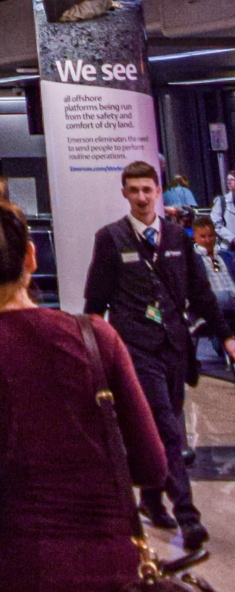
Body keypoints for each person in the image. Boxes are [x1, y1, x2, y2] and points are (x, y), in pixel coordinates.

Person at [0, 178, 169, 592]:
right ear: (31, 256)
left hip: (20, 570)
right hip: (114, 572)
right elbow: (152, 466)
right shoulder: (97, 337)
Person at [83, 160, 235, 552]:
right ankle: (188, 516)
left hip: (175, 347)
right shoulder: (111, 238)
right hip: (135, 348)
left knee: (162, 425)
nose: (141, 197)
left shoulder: (177, 237)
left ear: (158, 190)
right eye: (133, 190)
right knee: (168, 429)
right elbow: (95, 302)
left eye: (147, 190)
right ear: (124, 193)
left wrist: (227, 336)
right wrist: (94, 352)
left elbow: (200, 293)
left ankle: (151, 499)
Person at [192, 217, 235, 365]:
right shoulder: (191, 260)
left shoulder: (229, 256)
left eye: (211, 236)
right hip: (211, 306)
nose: (207, 240)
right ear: (195, 237)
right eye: (203, 236)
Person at [211, 170, 235, 247]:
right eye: (228, 180)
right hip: (227, 246)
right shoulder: (221, 201)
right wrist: (232, 238)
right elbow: (216, 223)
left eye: (232, 180)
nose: (229, 182)